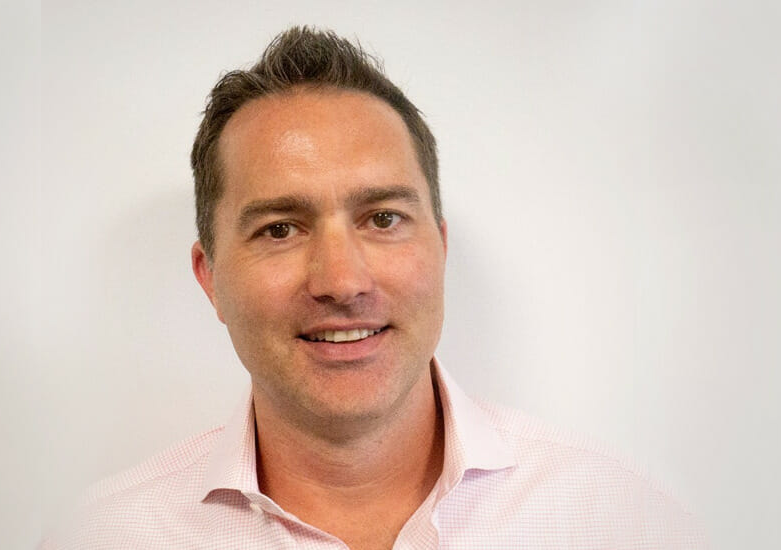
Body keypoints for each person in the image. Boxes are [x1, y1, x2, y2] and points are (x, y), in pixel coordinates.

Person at [42, 27, 707, 549]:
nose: (342, 281)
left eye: (384, 219)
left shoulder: (620, 521)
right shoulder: (105, 538)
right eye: (280, 229)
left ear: (439, 248)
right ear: (209, 278)